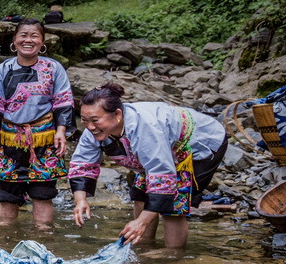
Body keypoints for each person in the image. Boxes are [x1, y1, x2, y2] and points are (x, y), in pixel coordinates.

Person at [69, 84, 228, 248]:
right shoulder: (93, 130)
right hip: (160, 152)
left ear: (117, 114)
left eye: (95, 120)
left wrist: (141, 222)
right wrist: (80, 200)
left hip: (200, 143)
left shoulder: (145, 127)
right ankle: (144, 243)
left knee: (173, 204)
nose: (89, 127)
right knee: (140, 194)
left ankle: (172, 255)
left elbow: (163, 176)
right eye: (84, 120)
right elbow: (83, 163)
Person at [0, 18, 74, 227]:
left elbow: (63, 101)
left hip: (44, 137)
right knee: (8, 193)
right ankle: (5, 237)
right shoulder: (2, 70)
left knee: (43, 193)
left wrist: (61, 131)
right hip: (9, 138)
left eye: (34, 36)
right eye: (23, 35)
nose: (28, 40)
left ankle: (42, 237)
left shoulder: (54, 68)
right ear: (14, 39)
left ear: (42, 41)